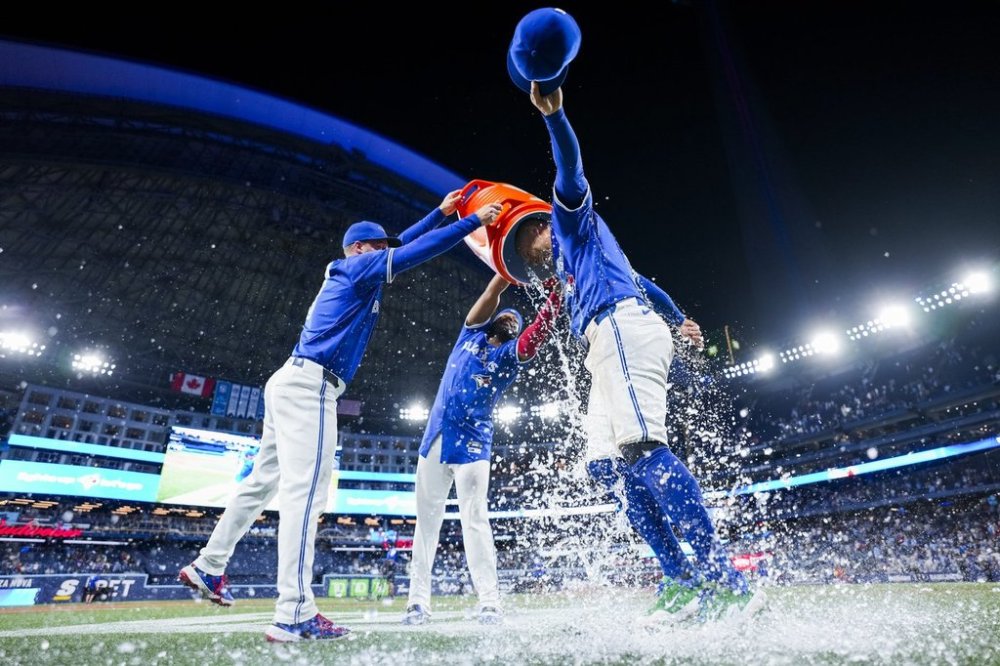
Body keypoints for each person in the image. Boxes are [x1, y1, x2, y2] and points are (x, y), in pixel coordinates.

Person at [179, 191, 502, 642]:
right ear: (360, 249)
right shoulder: (355, 267)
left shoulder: (355, 267)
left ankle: (209, 565)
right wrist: (471, 223)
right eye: (378, 246)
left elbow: (399, 243)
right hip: (311, 388)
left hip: (294, 381)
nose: (385, 251)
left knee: (259, 485)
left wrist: (439, 214)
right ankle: (293, 613)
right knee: (306, 497)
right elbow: (409, 252)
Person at [515, 80, 762, 624]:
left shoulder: (571, 224)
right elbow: (646, 281)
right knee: (606, 466)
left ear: (542, 224)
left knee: (642, 448)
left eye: (526, 238)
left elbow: (571, 173)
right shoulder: (572, 272)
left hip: (622, 331)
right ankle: (681, 579)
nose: (526, 250)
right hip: (609, 342)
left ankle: (727, 582)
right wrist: (679, 320)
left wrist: (554, 116)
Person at [403, 273, 561, 626]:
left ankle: (490, 602)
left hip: (473, 446)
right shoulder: (469, 336)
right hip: (435, 439)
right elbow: (492, 291)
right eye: (506, 316)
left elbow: (535, 336)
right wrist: (505, 268)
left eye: (516, 322)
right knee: (425, 524)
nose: (510, 319)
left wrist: (554, 301)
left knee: (475, 521)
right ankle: (417, 603)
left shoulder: (508, 355)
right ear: (494, 320)